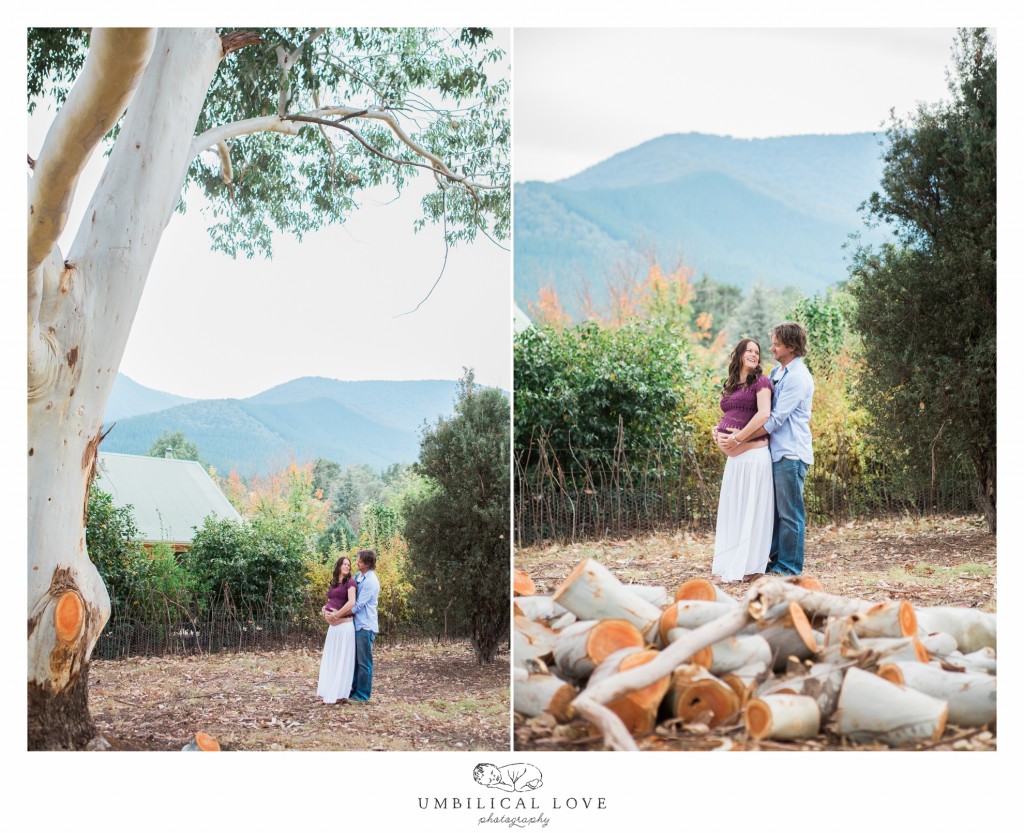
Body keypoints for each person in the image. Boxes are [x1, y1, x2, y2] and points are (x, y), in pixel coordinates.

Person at [719, 322, 813, 576]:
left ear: (791, 347)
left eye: (776, 344)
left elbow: (773, 420)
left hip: (790, 453)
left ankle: (789, 568)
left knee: (790, 515)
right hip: (774, 452)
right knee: (773, 514)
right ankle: (771, 563)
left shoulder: (798, 378)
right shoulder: (777, 373)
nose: (771, 347)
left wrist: (739, 439)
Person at [710, 338, 774, 582]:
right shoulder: (731, 385)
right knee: (733, 511)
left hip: (754, 456)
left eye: (757, 352)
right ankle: (730, 563)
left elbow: (764, 414)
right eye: (749, 350)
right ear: (738, 354)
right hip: (735, 461)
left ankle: (751, 567)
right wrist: (718, 429)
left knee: (751, 512)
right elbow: (731, 414)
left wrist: (737, 439)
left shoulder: (761, 382)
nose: (754, 354)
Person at [317, 556, 357, 704]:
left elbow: (352, 602)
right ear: (339, 566)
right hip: (333, 627)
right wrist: (324, 609)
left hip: (345, 626)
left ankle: (340, 693)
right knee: (332, 657)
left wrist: (336, 615)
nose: (347, 566)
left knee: (341, 658)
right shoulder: (334, 583)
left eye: (349, 565)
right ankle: (328, 689)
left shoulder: (350, 583)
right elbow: (332, 600)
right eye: (344, 564)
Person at [349, 548, 380, 703]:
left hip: (365, 626)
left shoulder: (371, 581)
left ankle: (362, 695)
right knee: (355, 661)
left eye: (359, 560)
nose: (357, 562)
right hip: (356, 625)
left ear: (367, 563)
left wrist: (340, 615)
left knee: (364, 662)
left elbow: (358, 605)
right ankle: (353, 692)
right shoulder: (359, 576)